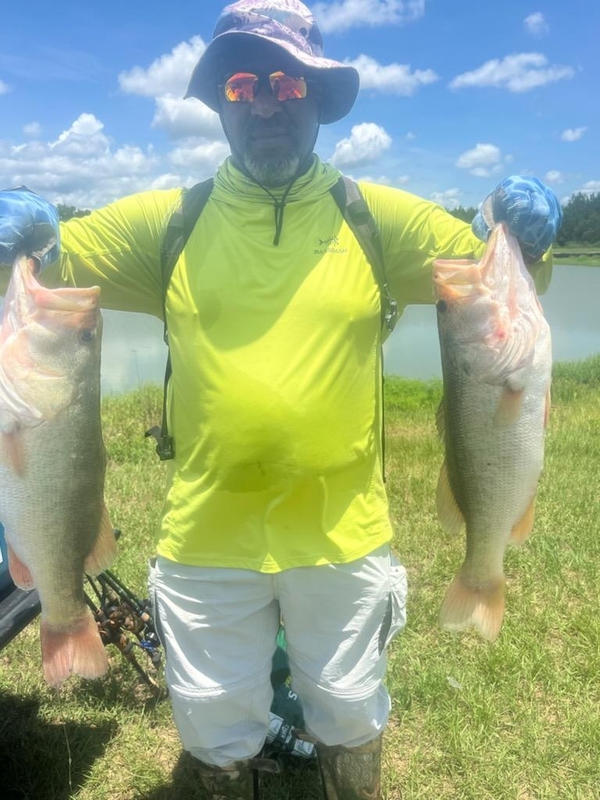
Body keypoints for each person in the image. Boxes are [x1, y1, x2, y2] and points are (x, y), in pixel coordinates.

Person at [0, 2, 562, 798]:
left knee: (348, 709)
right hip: (205, 528)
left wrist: (526, 241)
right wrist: (19, 214)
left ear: (317, 100)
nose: (265, 102)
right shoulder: (173, 219)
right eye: (241, 84)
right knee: (209, 717)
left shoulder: (375, 219)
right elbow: (39, 266)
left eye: (287, 85)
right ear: (222, 105)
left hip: (342, 527)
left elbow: (503, 296)